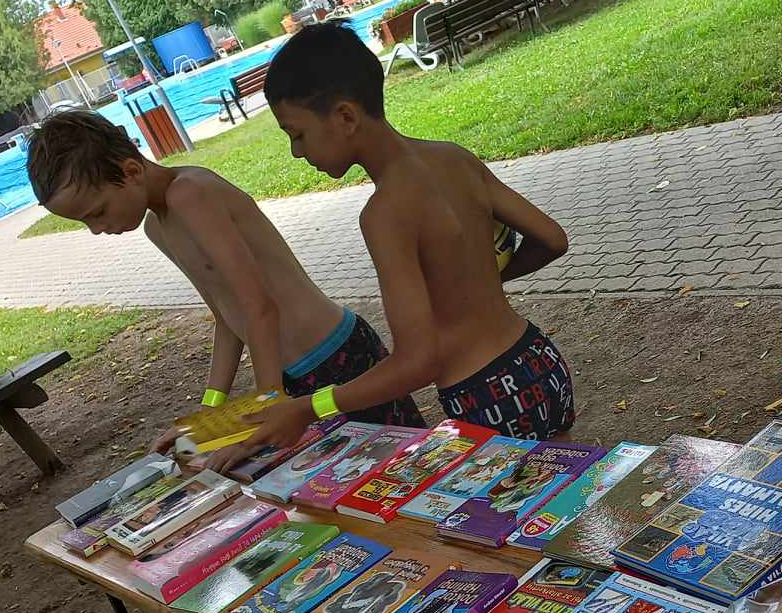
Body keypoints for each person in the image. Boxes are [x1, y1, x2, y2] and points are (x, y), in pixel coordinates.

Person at [25, 111, 421, 470]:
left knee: (403, 466)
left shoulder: (189, 194)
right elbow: (226, 317)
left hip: (336, 358)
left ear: (130, 171)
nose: (97, 229)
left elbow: (260, 306)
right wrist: (207, 415)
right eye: (84, 223)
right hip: (288, 377)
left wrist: (266, 405)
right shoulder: (157, 227)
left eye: (97, 213)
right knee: (343, 482)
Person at [242, 23, 572, 452]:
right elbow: (552, 238)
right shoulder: (453, 158)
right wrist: (482, 281)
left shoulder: (385, 213)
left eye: (297, 134)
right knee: (566, 484)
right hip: (536, 359)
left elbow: (418, 362)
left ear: (345, 117)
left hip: (486, 394)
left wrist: (309, 406)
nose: (297, 152)